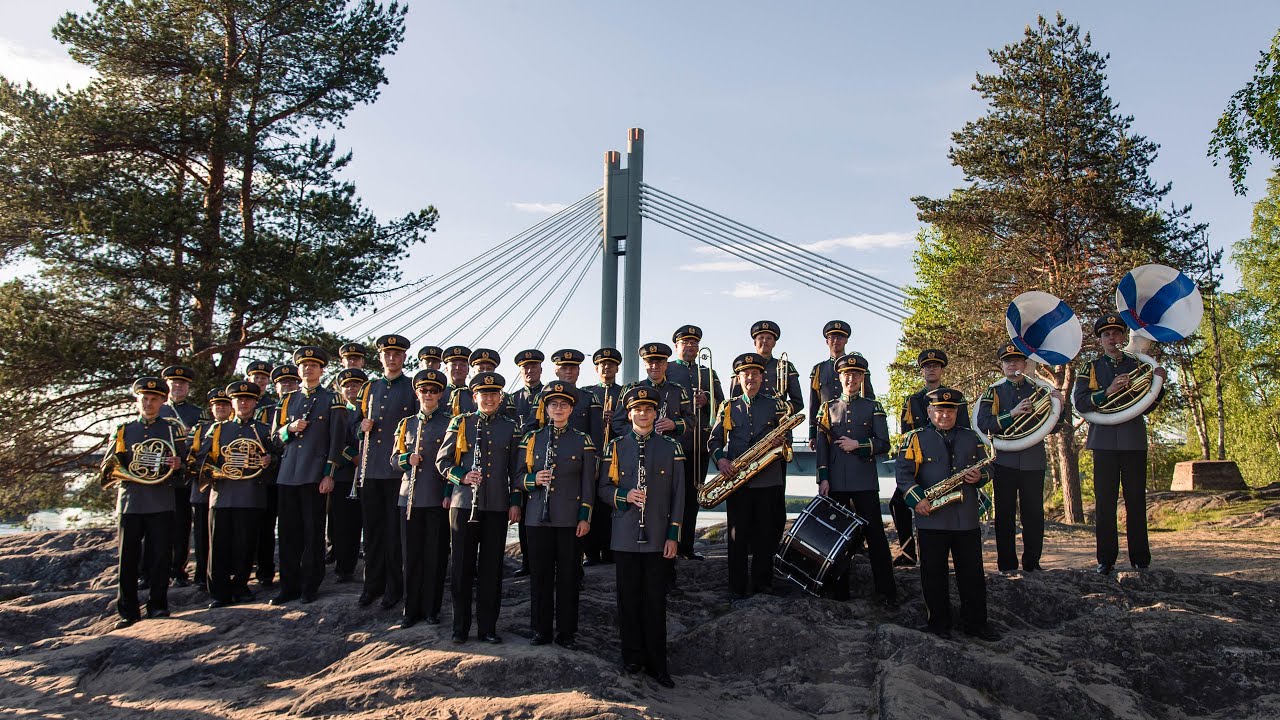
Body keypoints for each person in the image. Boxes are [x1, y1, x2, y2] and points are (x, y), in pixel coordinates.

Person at [896, 387, 998, 641]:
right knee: (933, 575)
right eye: (939, 410)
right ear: (929, 411)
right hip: (931, 516)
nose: (945, 415)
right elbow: (904, 474)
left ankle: (976, 625)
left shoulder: (971, 437)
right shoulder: (914, 438)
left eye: (950, 410)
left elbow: (989, 468)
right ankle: (938, 625)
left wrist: (981, 476)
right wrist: (917, 500)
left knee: (972, 574)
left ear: (956, 412)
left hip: (966, 517)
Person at [599, 386, 683, 688]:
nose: (643, 414)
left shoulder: (671, 447)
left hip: (658, 536)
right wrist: (625, 496)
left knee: (655, 602)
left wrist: (673, 535)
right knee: (628, 601)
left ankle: (657, 665)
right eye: (637, 409)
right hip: (624, 535)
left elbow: (679, 495)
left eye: (648, 409)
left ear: (655, 413)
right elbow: (603, 489)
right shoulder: (616, 446)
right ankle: (632, 658)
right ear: (630, 413)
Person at [1072, 314, 1166, 575]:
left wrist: (1159, 384)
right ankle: (1106, 559)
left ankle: (1140, 559)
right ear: (1100, 340)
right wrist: (1109, 390)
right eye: (1106, 334)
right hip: (1102, 441)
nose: (1111, 338)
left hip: (1133, 439)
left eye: (1116, 333)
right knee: (1104, 502)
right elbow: (1080, 402)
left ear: (1124, 337)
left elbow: (1148, 405)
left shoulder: (1138, 364)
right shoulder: (1090, 367)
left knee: (1136, 500)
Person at [435, 372, 522, 644]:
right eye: (484, 394)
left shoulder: (511, 426)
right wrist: (461, 476)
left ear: (500, 397)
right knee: (461, 567)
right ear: (475, 397)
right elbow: (442, 461)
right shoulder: (460, 422)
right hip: (463, 505)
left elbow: (516, 470)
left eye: (494, 394)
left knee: (491, 569)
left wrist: (515, 502)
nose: (489, 398)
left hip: (496, 505)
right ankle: (459, 628)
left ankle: (487, 628)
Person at [814, 354, 896, 606]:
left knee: (876, 537)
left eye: (856, 375)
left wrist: (858, 445)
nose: (851, 379)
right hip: (836, 482)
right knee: (837, 538)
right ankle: (839, 591)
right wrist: (823, 478)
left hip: (864, 481)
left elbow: (884, 443)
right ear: (840, 378)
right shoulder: (827, 408)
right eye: (847, 375)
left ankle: (886, 592)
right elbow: (822, 447)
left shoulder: (873, 407)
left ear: (862, 378)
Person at [976, 342, 1064, 574]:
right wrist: (1012, 413)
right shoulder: (993, 392)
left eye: (1016, 360)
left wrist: (1061, 405)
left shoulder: (1039, 390)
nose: (1012, 364)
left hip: (1033, 461)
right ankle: (1007, 565)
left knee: (1033, 515)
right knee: (1004, 516)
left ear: (1025, 364)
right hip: (1003, 461)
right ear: (1002, 365)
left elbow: (1055, 426)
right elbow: (984, 424)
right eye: (1007, 361)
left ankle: (1032, 563)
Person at [520, 380, 596, 648]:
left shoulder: (583, 440)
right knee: (539, 577)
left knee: (568, 577)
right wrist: (533, 479)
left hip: (569, 519)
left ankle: (566, 633)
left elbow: (588, 484)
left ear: (571, 409)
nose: (559, 409)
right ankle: (540, 630)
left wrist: (585, 516)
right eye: (553, 404)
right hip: (536, 518)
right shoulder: (532, 438)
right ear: (546, 408)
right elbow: (517, 477)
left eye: (564, 404)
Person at [105, 377, 185, 629]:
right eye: (144, 399)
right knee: (127, 558)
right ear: (137, 401)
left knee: (161, 556)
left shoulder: (172, 430)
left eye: (154, 399)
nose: (149, 403)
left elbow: (187, 469)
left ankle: (158, 605)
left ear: (163, 401)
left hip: (162, 501)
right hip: (130, 501)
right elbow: (110, 464)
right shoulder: (124, 429)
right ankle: (128, 611)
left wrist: (178, 465)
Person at [708, 353, 790, 598]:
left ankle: (762, 585)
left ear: (762, 377)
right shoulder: (728, 406)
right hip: (737, 481)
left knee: (766, 535)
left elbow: (787, 436)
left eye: (755, 373)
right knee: (737, 536)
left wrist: (780, 440)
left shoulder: (775, 404)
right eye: (745, 374)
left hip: (768, 479)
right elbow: (714, 441)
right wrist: (721, 460)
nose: (750, 378)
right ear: (738, 378)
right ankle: (737, 588)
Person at [271, 346, 348, 604]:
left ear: (321, 370)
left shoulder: (332, 399)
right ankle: (288, 586)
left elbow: (337, 440)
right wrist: (289, 429)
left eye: (313, 365)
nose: (308, 369)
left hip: (315, 475)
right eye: (304, 365)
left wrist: (329, 474)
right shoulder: (287, 400)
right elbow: (274, 439)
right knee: (288, 534)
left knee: (313, 534)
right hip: (287, 474)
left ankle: (310, 586)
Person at [355, 334, 417, 609]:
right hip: (370, 470)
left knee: (394, 535)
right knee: (372, 532)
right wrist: (360, 428)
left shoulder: (412, 387)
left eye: (397, 354)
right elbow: (354, 424)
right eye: (387, 354)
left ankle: (394, 588)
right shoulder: (369, 387)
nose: (392, 358)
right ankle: (372, 586)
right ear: (380, 357)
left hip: (396, 472)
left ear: (404, 357)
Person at [894, 349, 970, 566]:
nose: (931, 370)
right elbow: (906, 437)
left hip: (948, 464)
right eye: (927, 367)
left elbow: (965, 432)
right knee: (898, 502)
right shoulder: (912, 401)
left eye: (935, 366)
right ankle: (908, 552)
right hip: (919, 465)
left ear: (942, 370)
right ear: (922, 371)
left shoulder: (955, 399)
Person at [205, 381, 277, 608]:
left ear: (255, 403)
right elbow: (202, 460)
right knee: (218, 547)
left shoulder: (264, 430)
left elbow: (278, 459)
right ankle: (219, 592)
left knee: (245, 546)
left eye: (248, 400)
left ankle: (241, 586)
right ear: (232, 402)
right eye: (239, 399)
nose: (243, 403)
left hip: (251, 495)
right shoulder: (218, 429)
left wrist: (270, 460)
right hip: (222, 494)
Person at [394, 369, 452, 628]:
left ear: (440, 394)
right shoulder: (406, 424)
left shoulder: (450, 423)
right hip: (409, 499)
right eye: (423, 390)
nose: (428, 394)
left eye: (433, 390)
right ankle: (410, 609)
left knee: (435, 557)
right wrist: (407, 459)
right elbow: (393, 460)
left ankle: (431, 609)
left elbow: (455, 461)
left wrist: (448, 494)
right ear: (417, 393)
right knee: (411, 557)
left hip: (437, 498)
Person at [665, 326, 724, 561]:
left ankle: (687, 547)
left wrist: (707, 400)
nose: (690, 347)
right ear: (676, 346)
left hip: (699, 443)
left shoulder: (708, 372)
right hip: (673, 443)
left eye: (694, 343)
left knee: (693, 496)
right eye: (685, 343)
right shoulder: (667, 369)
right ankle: (667, 544)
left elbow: (723, 405)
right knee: (669, 495)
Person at [157, 364, 203, 587]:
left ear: (188, 387)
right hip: (157, 477)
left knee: (181, 526)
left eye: (182, 384)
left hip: (182, 477)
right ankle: (150, 572)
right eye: (174, 383)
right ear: (167, 385)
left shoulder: (197, 413)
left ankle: (178, 570)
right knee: (155, 528)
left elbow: (203, 444)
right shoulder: (157, 409)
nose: (178, 387)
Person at [186, 388, 234, 594]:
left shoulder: (236, 429)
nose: (221, 408)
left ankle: (224, 574)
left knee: (224, 537)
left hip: (226, 490)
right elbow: (190, 457)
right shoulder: (200, 429)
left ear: (231, 408)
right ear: (211, 408)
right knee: (202, 537)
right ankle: (201, 576)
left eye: (225, 404)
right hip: (202, 491)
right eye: (217, 405)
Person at [582, 347, 623, 566]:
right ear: (596, 369)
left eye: (611, 364)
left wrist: (615, 418)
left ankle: (610, 550)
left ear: (617, 368)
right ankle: (590, 553)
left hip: (618, 455)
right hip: (593, 455)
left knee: (612, 504)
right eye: (602, 365)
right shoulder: (586, 393)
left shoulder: (625, 393)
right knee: (592, 502)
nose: (606, 368)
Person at [507, 349, 545, 577]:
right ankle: (527, 562)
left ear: (541, 369)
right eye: (525, 367)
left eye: (533, 366)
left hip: (541, 456)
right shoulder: (512, 399)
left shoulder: (549, 394)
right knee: (521, 508)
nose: (530, 370)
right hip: (519, 456)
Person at [808, 320, 876, 446]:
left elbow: (869, 397)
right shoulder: (819, 369)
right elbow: (814, 403)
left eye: (840, 337)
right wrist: (812, 434)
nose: (836, 341)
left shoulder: (858, 367)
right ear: (827, 341)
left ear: (846, 340)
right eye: (832, 337)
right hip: (826, 426)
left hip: (855, 424)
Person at [329, 367, 368, 582]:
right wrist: (353, 456)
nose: (352, 388)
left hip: (368, 474)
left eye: (356, 385)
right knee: (344, 524)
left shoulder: (370, 409)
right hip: (345, 474)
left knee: (368, 523)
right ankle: (344, 568)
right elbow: (333, 440)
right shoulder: (338, 411)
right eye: (347, 385)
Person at [729, 321, 804, 415]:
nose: (765, 341)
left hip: (778, 420)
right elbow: (735, 401)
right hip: (749, 419)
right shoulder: (741, 367)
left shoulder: (786, 366)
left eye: (769, 338)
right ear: (755, 342)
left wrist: (782, 410)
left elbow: (798, 402)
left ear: (774, 343)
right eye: (761, 338)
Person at [441, 345, 472, 415]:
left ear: (468, 370)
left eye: (462, 365)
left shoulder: (474, 396)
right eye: (453, 365)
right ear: (446, 369)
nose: (458, 368)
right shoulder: (438, 394)